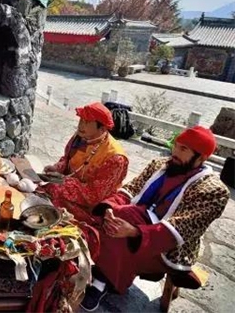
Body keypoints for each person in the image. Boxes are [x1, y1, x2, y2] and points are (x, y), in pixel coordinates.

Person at [80, 126, 229, 311]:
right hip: (137, 220)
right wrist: (109, 208)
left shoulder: (213, 191)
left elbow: (181, 228)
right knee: (109, 218)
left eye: (183, 149)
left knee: (119, 230)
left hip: (169, 245)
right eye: (176, 145)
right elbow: (131, 189)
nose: (175, 152)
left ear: (201, 158)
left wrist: (134, 232)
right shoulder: (160, 165)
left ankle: (103, 281)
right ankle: (103, 270)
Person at [40, 102, 129, 223]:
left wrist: (62, 182)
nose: (81, 124)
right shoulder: (81, 136)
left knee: (49, 200)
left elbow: (94, 195)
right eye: (81, 119)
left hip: (91, 206)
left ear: (102, 128)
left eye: (87, 122)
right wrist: (58, 168)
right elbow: (67, 158)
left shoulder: (115, 158)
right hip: (69, 187)